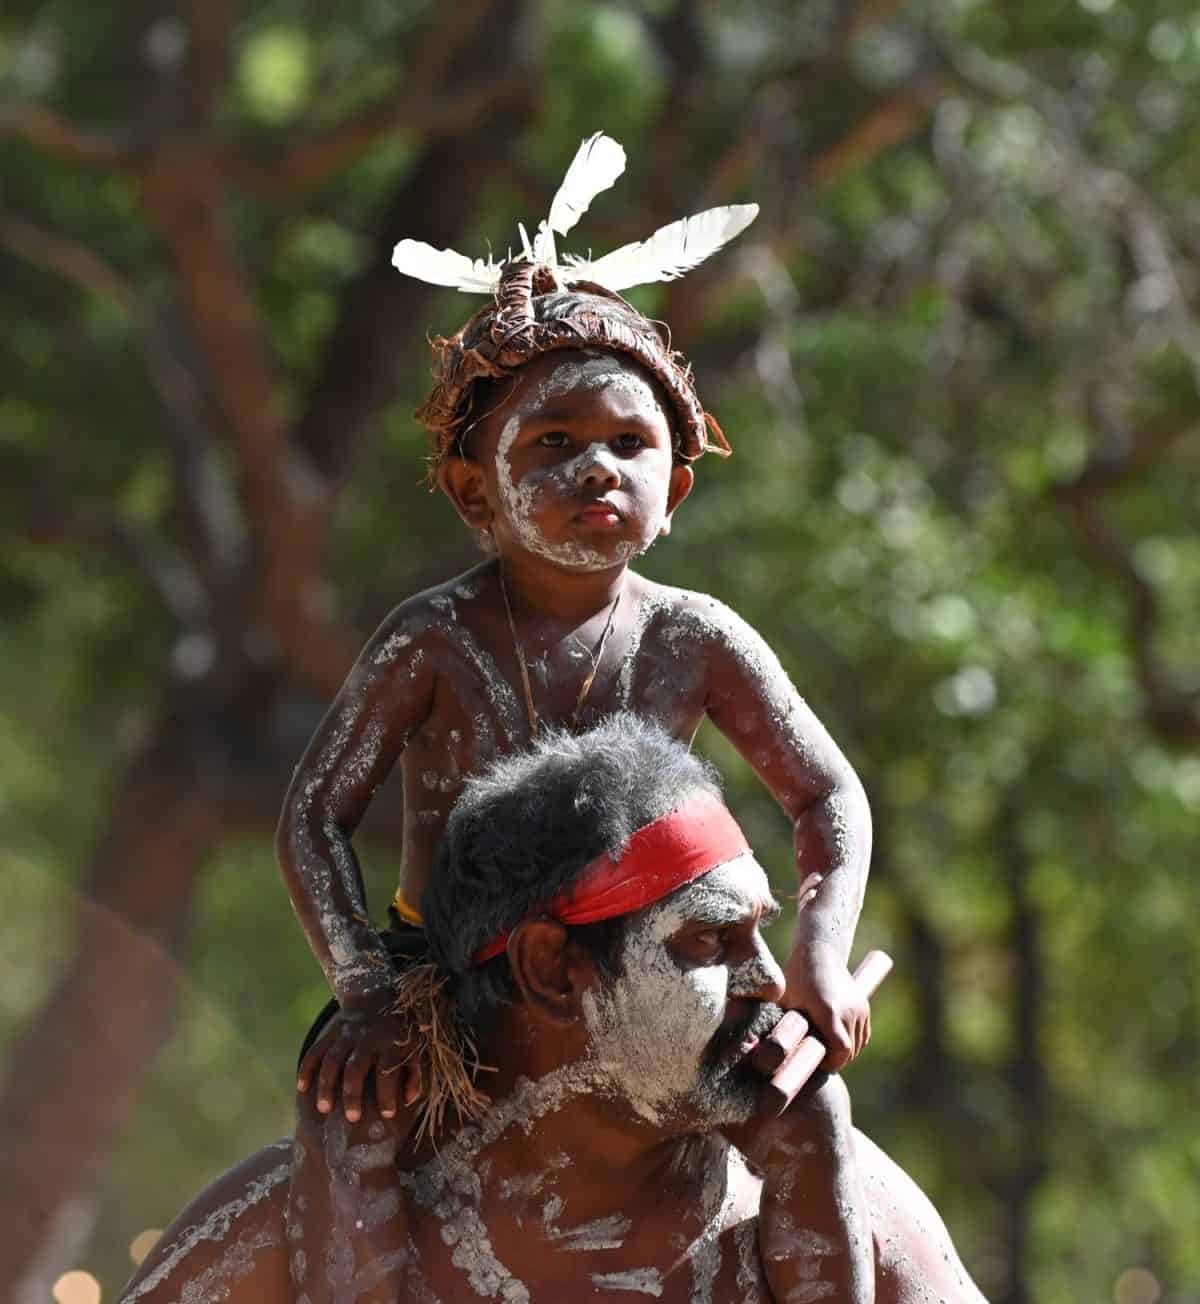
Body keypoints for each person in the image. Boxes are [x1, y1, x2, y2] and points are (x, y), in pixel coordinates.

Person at [275, 135, 874, 1296]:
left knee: (809, 1104)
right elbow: (311, 816)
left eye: (629, 443)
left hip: (659, 983)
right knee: (347, 1123)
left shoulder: (695, 636)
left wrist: (819, 956)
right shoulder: (430, 638)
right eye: (555, 444)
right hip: (446, 989)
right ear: (473, 491)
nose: (598, 467)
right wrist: (366, 989)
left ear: (677, 484)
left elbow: (827, 791)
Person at [123, 718, 983, 1303]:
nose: (768, 981)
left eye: (763, 935)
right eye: (708, 943)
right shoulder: (304, 1212)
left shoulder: (828, 1191)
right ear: (551, 967)